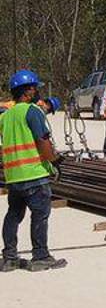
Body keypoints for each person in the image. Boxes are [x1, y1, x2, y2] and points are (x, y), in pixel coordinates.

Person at [2, 70, 66, 272]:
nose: (37, 92)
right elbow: (42, 141)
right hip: (34, 174)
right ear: (27, 90)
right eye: (35, 88)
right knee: (40, 215)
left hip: (14, 177)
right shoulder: (32, 111)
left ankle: (9, 258)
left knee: (13, 215)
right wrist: (54, 160)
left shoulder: (6, 116)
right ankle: (41, 256)